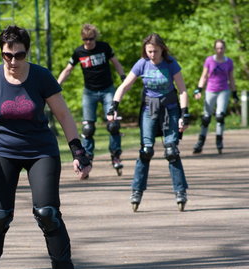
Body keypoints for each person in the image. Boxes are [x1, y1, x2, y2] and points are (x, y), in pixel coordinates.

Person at [0, 25, 91, 269]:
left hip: (40, 150)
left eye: (18, 55)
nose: (12, 61)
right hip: (3, 150)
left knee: (47, 214)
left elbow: (63, 115)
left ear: (27, 52)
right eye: (7, 55)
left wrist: (78, 152)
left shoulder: (42, 76)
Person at [107, 33, 190, 212]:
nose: (152, 55)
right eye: (149, 51)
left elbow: (182, 90)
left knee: (172, 151)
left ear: (162, 49)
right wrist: (114, 106)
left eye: (155, 51)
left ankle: (180, 191)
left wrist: (185, 113)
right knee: (146, 150)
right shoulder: (142, 64)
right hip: (149, 109)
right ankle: (136, 191)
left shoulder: (170, 63)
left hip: (170, 108)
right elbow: (125, 86)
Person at [57, 23, 126, 175]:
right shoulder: (78, 52)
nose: (88, 42)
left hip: (108, 90)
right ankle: (86, 159)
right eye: (85, 39)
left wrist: (124, 79)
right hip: (89, 92)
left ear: (96, 37)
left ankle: (116, 155)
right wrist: (56, 85)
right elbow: (68, 70)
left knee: (113, 124)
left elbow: (116, 63)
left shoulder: (104, 47)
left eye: (91, 39)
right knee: (87, 128)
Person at [192, 39, 238, 154]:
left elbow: (231, 78)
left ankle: (219, 141)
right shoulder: (209, 60)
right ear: (214, 49)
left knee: (220, 116)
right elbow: (204, 76)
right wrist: (199, 89)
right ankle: (200, 143)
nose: (219, 50)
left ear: (224, 49)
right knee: (206, 118)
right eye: (217, 48)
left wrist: (234, 93)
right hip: (210, 90)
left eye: (221, 48)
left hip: (224, 90)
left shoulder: (229, 62)